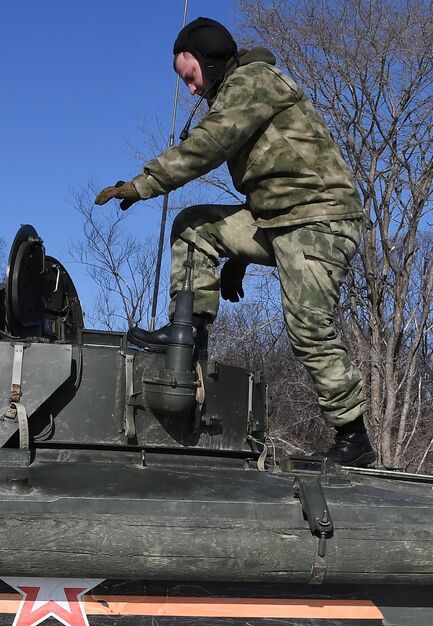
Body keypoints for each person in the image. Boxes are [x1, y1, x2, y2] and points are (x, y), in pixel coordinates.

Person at [95, 17, 374, 466]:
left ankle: (354, 438)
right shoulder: (234, 91)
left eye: (190, 77)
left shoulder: (253, 81)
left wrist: (145, 182)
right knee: (196, 226)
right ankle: (187, 334)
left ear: (208, 60)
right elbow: (264, 182)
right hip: (277, 217)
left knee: (308, 329)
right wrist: (237, 259)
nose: (190, 90)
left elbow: (212, 143)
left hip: (318, 218)